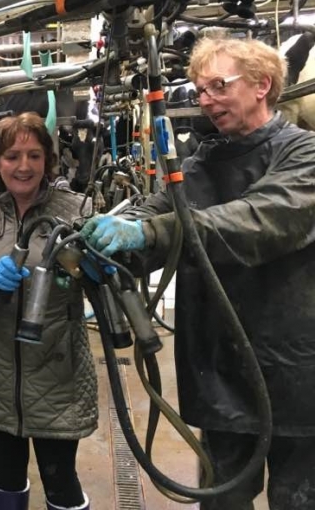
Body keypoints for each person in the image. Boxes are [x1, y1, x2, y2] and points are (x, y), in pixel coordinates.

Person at [81, 37, 315, 509]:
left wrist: (151, 234)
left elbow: (260, 220)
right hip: (220, 368)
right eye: (199, 89)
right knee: (223, 500)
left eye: (216, 86)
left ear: (261, 86)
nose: (204, 100)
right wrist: (108, 238)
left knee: (298, 498)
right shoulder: (202, 161)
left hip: (295, 371)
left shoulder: (304, 154)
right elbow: (160, 210)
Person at [0, 112, 97, 510]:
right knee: (6, 475)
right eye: (13, 156)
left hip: (58, 371)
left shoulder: (78, 211)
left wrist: (100, 268)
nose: (24, 166)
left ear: (48, 161)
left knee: (61, 479)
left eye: (34, 155)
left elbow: (107, 282)